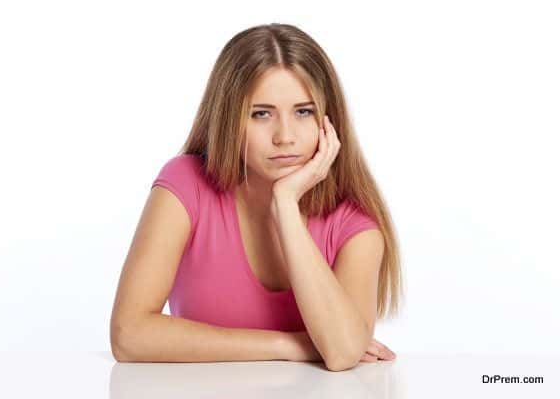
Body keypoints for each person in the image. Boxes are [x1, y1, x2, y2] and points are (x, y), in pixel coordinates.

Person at [110, 23, 403, 371]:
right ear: (228, 120)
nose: (285, 136)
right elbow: (128, 335)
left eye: (303, 111)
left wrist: (286, 204)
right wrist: (288, 344)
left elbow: (341, 353)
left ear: (329, 122)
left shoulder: (355, 224)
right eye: (261, 114)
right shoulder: (185, 184)